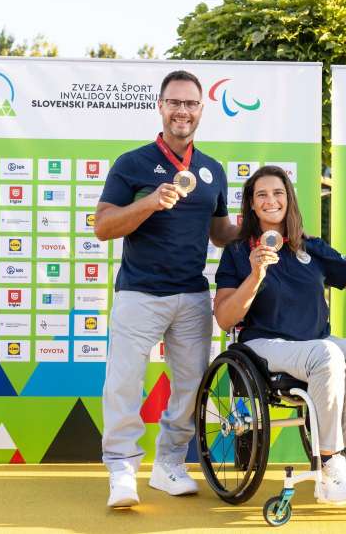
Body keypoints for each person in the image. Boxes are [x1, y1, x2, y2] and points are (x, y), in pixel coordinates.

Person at [95, 70, 239, 507]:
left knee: (191, 386)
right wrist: (148, 202)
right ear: (161, 107)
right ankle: (122, 470)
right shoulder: (132, 163)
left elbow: (219, 233)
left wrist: (265, 227)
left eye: (191, 104)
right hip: (139, 293)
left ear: (201, 109)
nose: (183, 111)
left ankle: (169, 464)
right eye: (175, 103)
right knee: (123, 383)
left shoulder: (212, 170)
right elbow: (103, 227)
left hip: (193, 296)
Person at [213, 165, 346, 503]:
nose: (270, 200)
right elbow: (224, 318)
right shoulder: (238, 252)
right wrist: (255, 274)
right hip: (264, 345)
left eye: (277, 193)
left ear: (289, 199)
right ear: (251, 204)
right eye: (261, 194)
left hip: (314, 344)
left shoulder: (311, 247)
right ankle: (329, 464)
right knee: (328, 354)